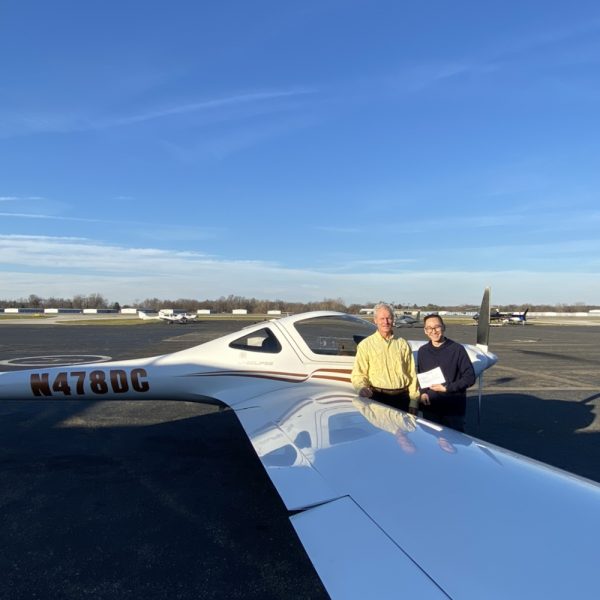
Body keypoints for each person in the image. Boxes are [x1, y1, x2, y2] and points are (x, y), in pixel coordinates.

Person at [351, 303, 419, 413]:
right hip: (377, 398)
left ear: (393, 320)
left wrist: (414, 401)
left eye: (389, 318)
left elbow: (412, 374)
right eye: (382, 318)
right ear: (375, 320)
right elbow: (359, 374)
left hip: (402, 399)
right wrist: (361, 388)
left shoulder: (403, 344)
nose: (386, 322)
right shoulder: (365, 345)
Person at [417, 314, 476, 432]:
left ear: (443, 327)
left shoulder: (457, 349)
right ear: (425, 331)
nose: (433, 331)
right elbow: (422, 375)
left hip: (452, 410)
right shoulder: (422, 351)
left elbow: (470, 377)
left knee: (454, 442)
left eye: (437, 327)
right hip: (430, 409)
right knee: (431, 441)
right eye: (429, 328)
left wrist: (447, 388)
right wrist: (423, 393)